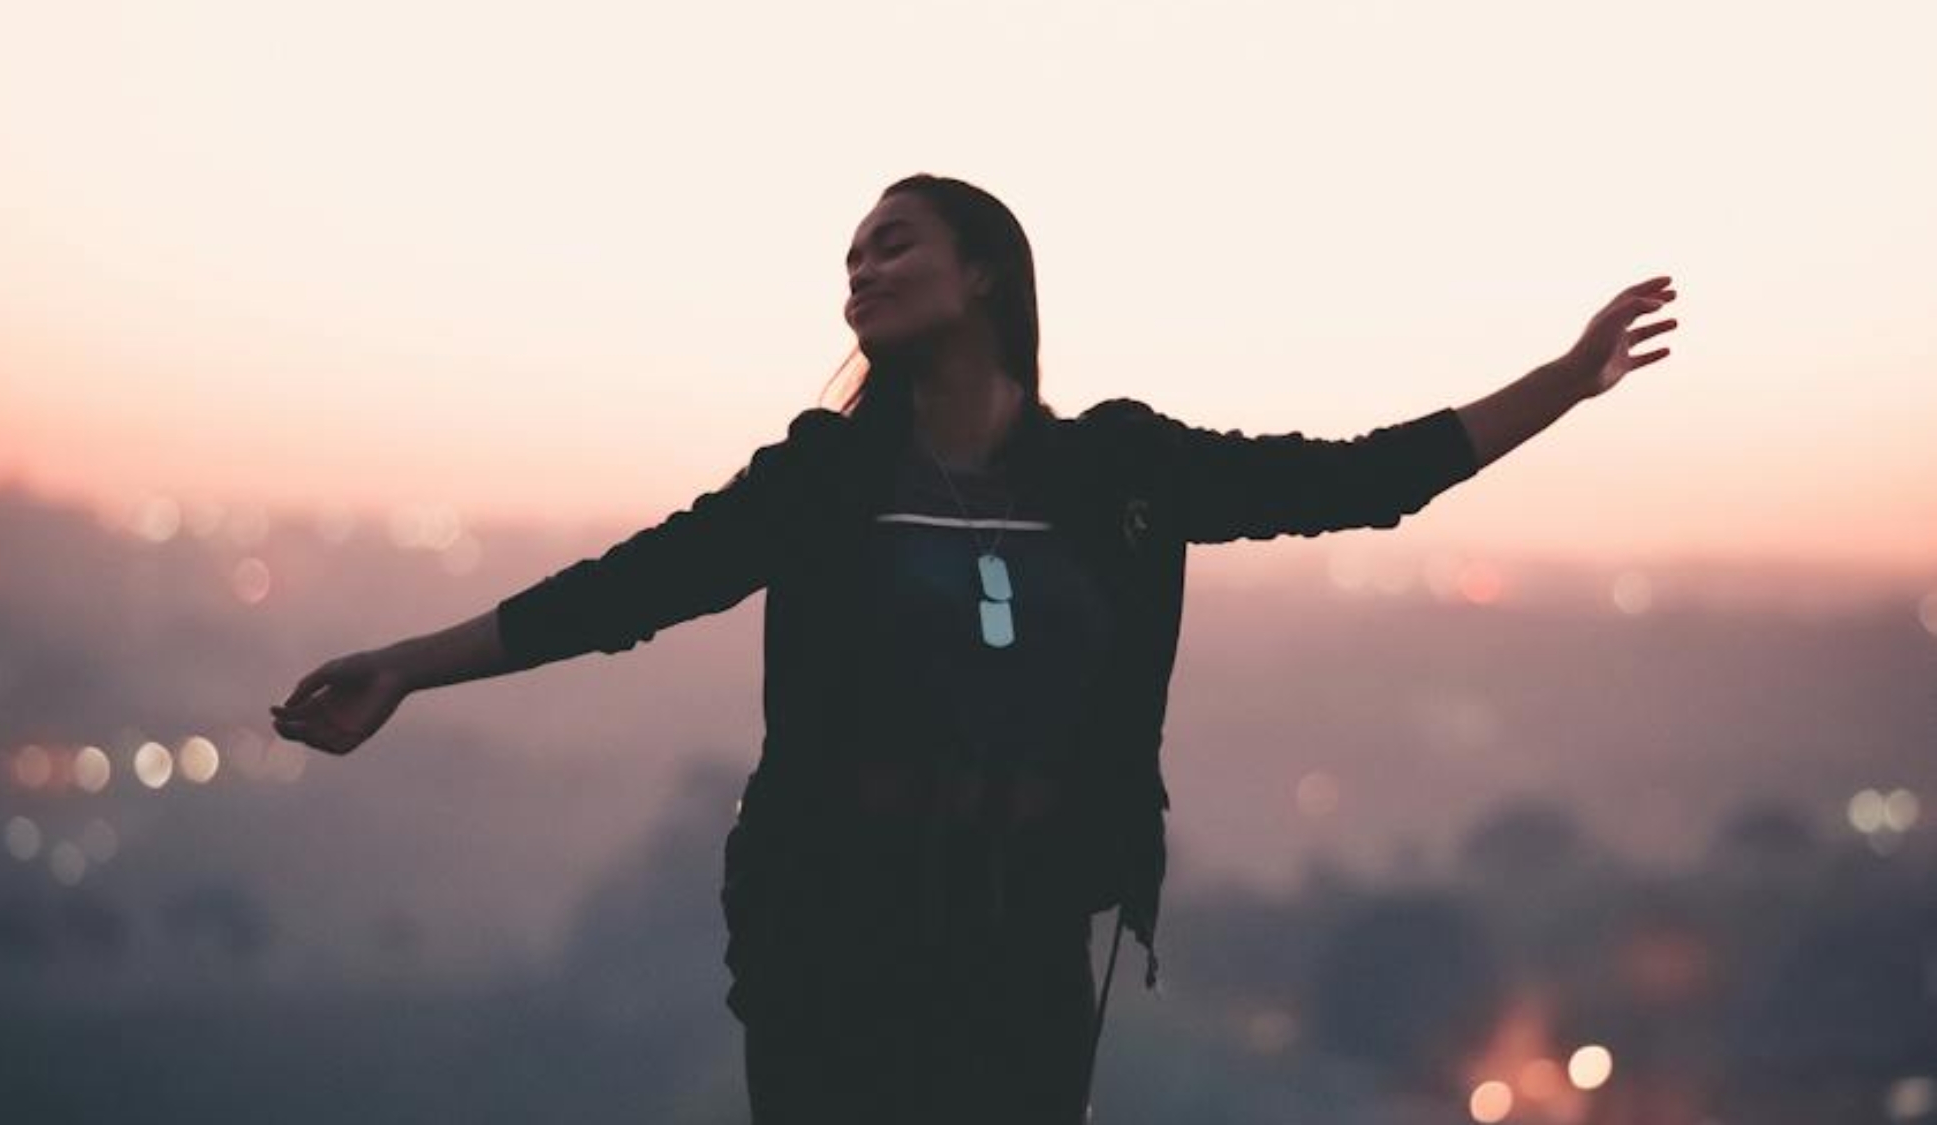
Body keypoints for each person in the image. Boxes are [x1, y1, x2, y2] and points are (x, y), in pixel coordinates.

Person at [271, 173, 1679, 1124]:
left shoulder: (1121, 471)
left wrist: (1566, 379)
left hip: (1022, 943)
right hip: (833, 938)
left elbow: (1360, 480)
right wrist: (408, 664)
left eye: (893, 244)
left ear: (986, 271)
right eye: (849, 262)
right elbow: (626, 589)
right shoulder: (822, 477)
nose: (861, 275)